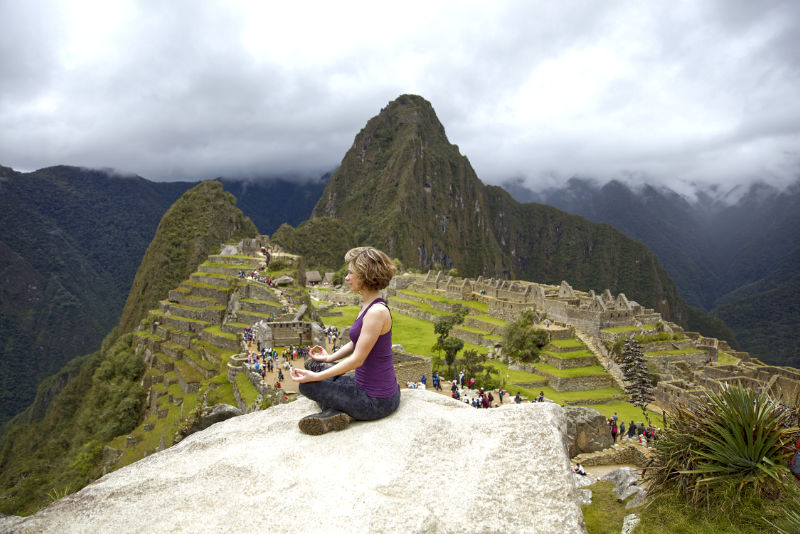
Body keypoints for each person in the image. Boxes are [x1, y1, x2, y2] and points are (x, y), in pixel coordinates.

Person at [290, 247, 400, 435]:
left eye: (351, 273)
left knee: (306, 384)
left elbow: (358, 359)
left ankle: (337, 414)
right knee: (313, 364)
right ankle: (339, 413)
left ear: (365, 276)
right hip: (364, 385)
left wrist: (317, 378)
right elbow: (356, 342)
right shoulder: (369, 304)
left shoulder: (376, 312)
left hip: (377, 400)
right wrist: (329, 357)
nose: (347, 278)